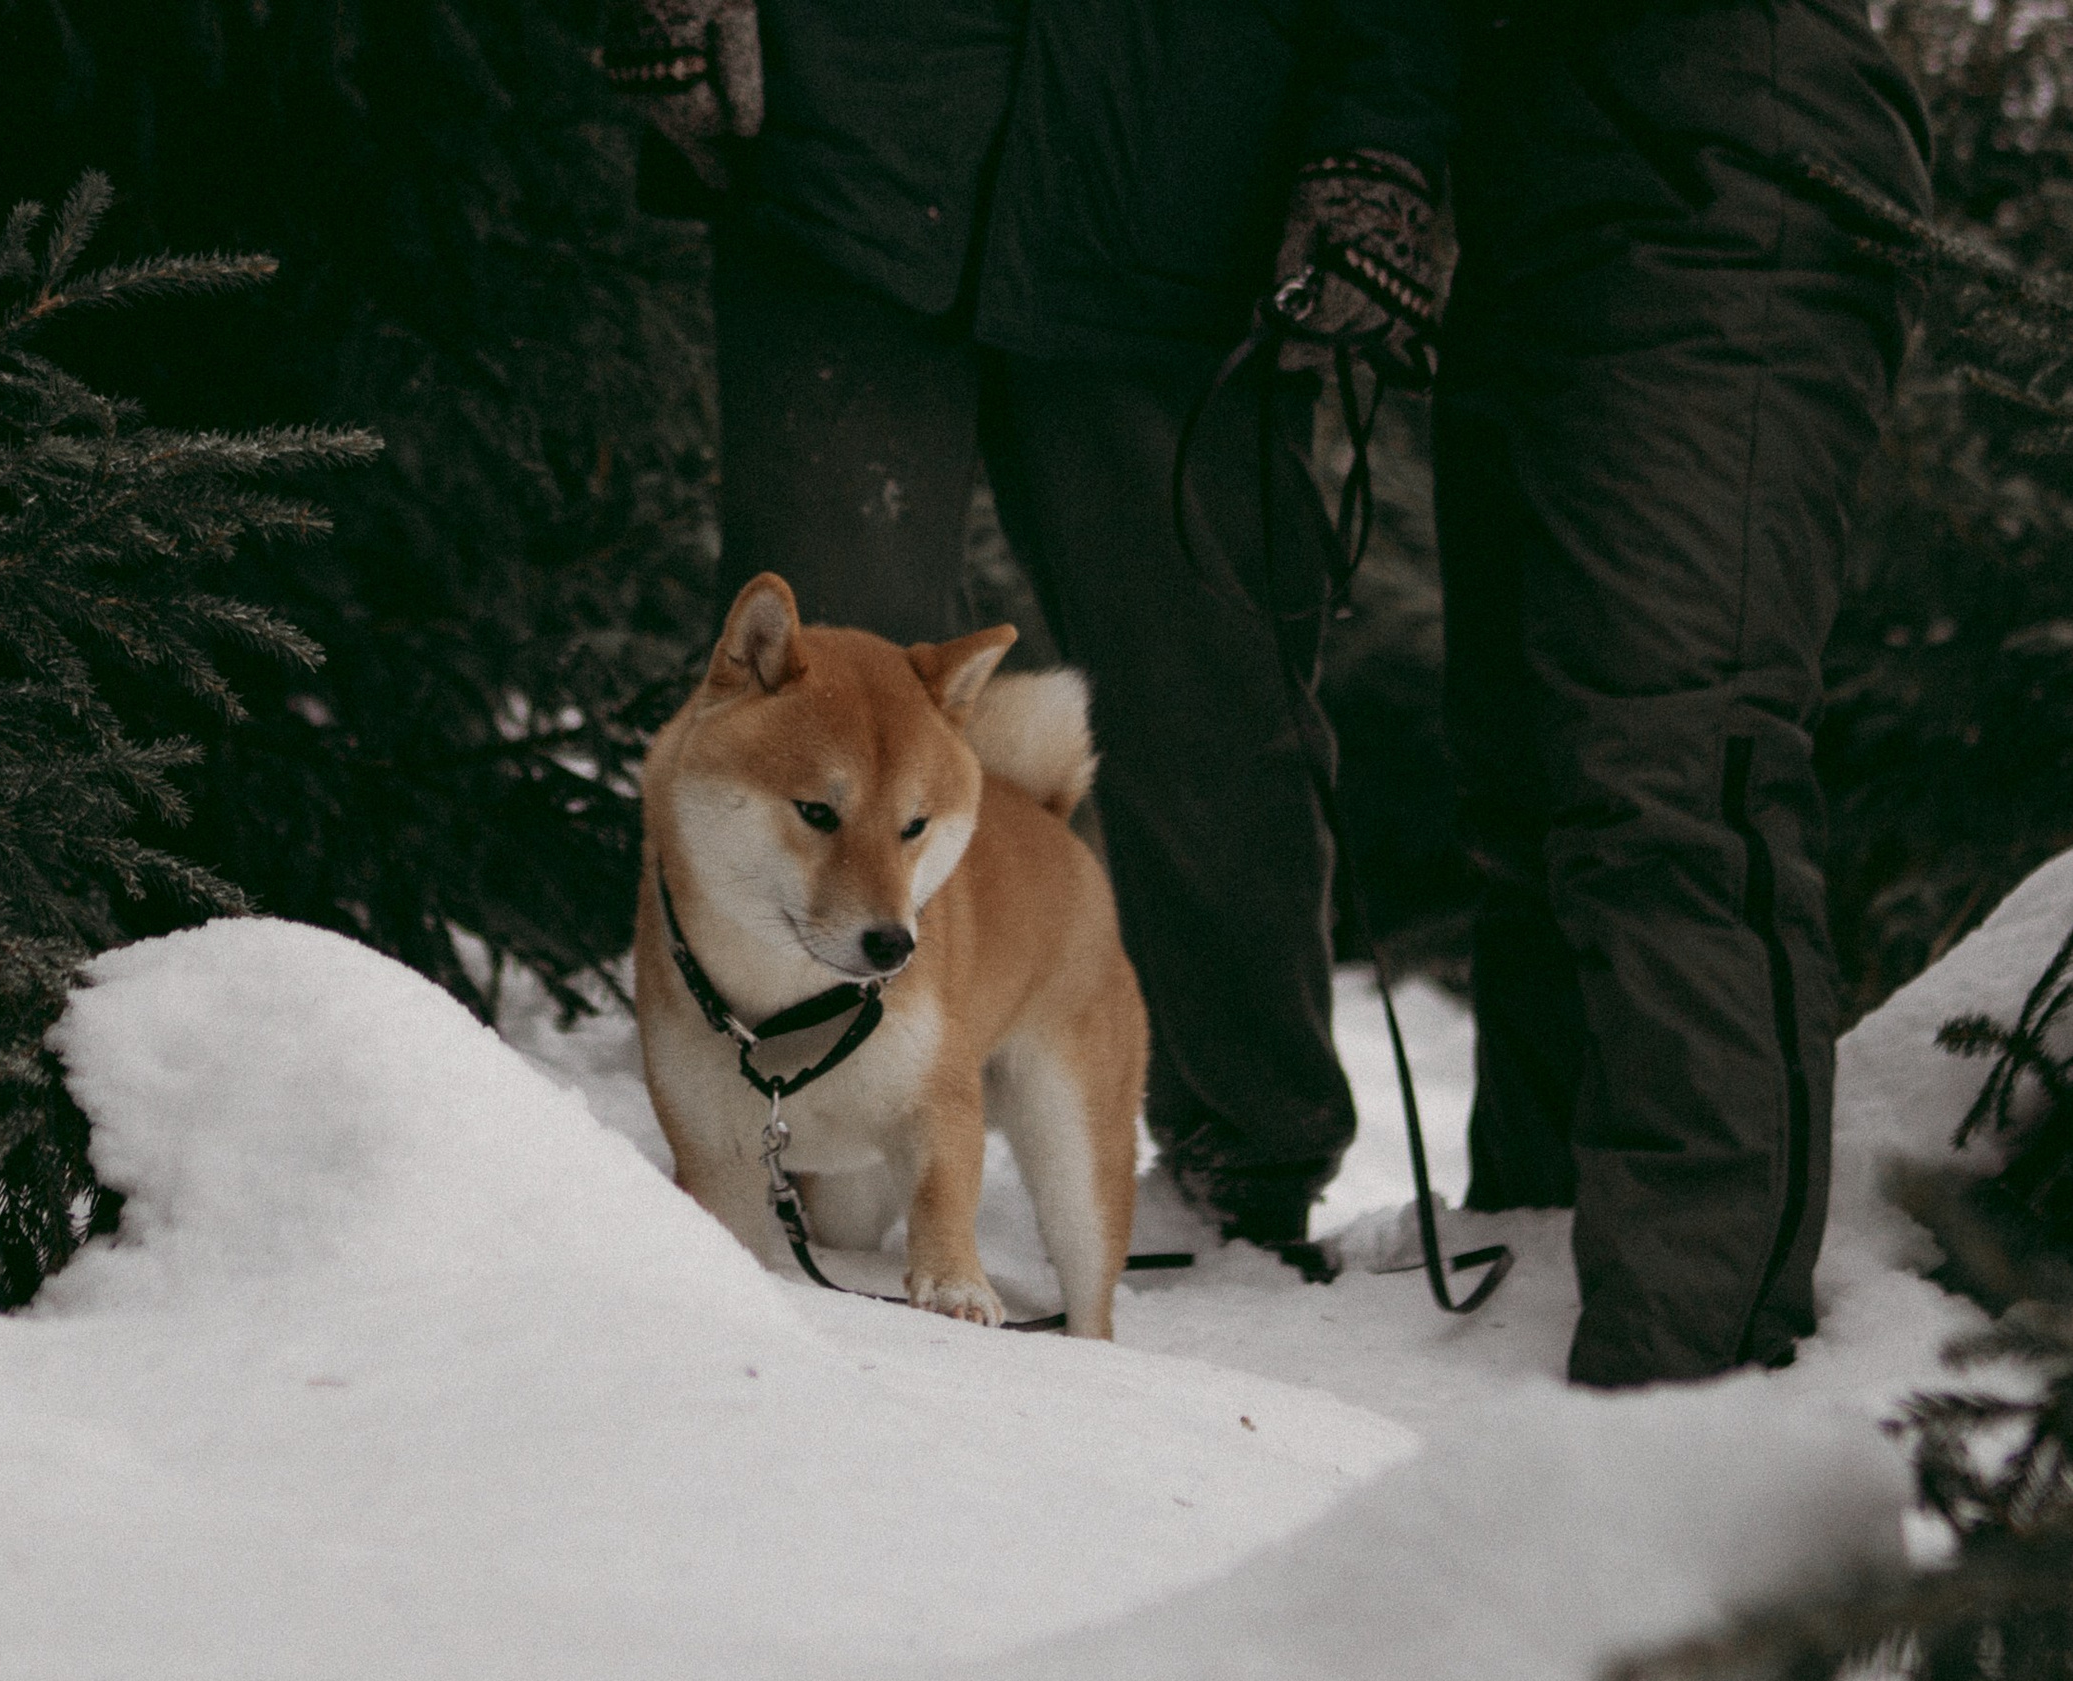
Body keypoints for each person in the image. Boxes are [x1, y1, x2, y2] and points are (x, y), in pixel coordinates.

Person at [600, 0, 1459, 1250]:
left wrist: (1377, 145)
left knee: (1211, 704)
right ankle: (813, 1149)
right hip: (855, 146)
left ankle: (1248, 1174)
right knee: (818, 717)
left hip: (1185, 178)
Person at [1436, 1, 1932, 1384]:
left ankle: (1685, 1375)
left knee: (1675, 775)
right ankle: (1534, 1273)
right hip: (1530, 167)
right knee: (1529, 793)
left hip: (1731, 156)